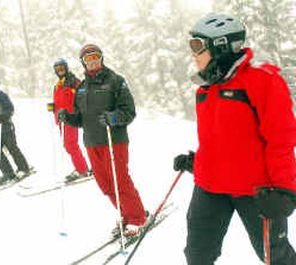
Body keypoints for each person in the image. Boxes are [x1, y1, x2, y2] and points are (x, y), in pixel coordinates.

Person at [173, 13, 296, 265]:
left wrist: (286, 189)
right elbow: (222, 138)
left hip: (256, 189)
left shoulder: (263, 81)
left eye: (198, 45)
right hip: (209, 186)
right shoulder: (205, 89)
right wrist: (197, 162)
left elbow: (281, 140)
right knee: (197, 254)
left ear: (220, 46)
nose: (193, 53)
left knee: (276, 257)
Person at [58, 44, 147, 236]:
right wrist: (68, 117)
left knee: (119, 180)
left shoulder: (115, 81)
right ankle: (126, 214)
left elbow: (129, 112)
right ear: (83, 62)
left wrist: (114, 117)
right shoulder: (81, 88)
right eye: (88, 59)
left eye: (95, 57)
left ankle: (138, 218)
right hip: (92, 141)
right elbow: (81, 119)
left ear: (101, 58)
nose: (92, 62)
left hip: (113, 140)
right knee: (105, 183)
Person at [47, 58, 90, 182]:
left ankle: (82, 170)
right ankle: (82, 167)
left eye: (62, 68)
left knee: (71, 144)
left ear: (66, 68)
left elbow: (82, 98)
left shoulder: (74, 82)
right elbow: (59, 101)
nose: (60, 71)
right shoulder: (57, 85)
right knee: (68, 145)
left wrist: (78, 112)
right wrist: (53, 107)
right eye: (57, 69)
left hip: (71, 118)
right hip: (61, 120)